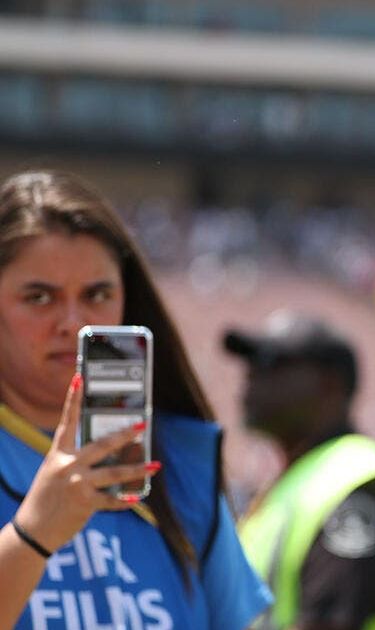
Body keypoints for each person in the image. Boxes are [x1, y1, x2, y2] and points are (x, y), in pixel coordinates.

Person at [0, 170, 272, 629]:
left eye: (98, 294)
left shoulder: (182, 461)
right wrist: (33, 536)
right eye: (40, 297)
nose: (74, 322)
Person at [226, 311, 375, 630]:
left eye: (271, 364)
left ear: (329, 386)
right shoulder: (291, 485)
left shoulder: (355, 479)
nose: (250, 378)